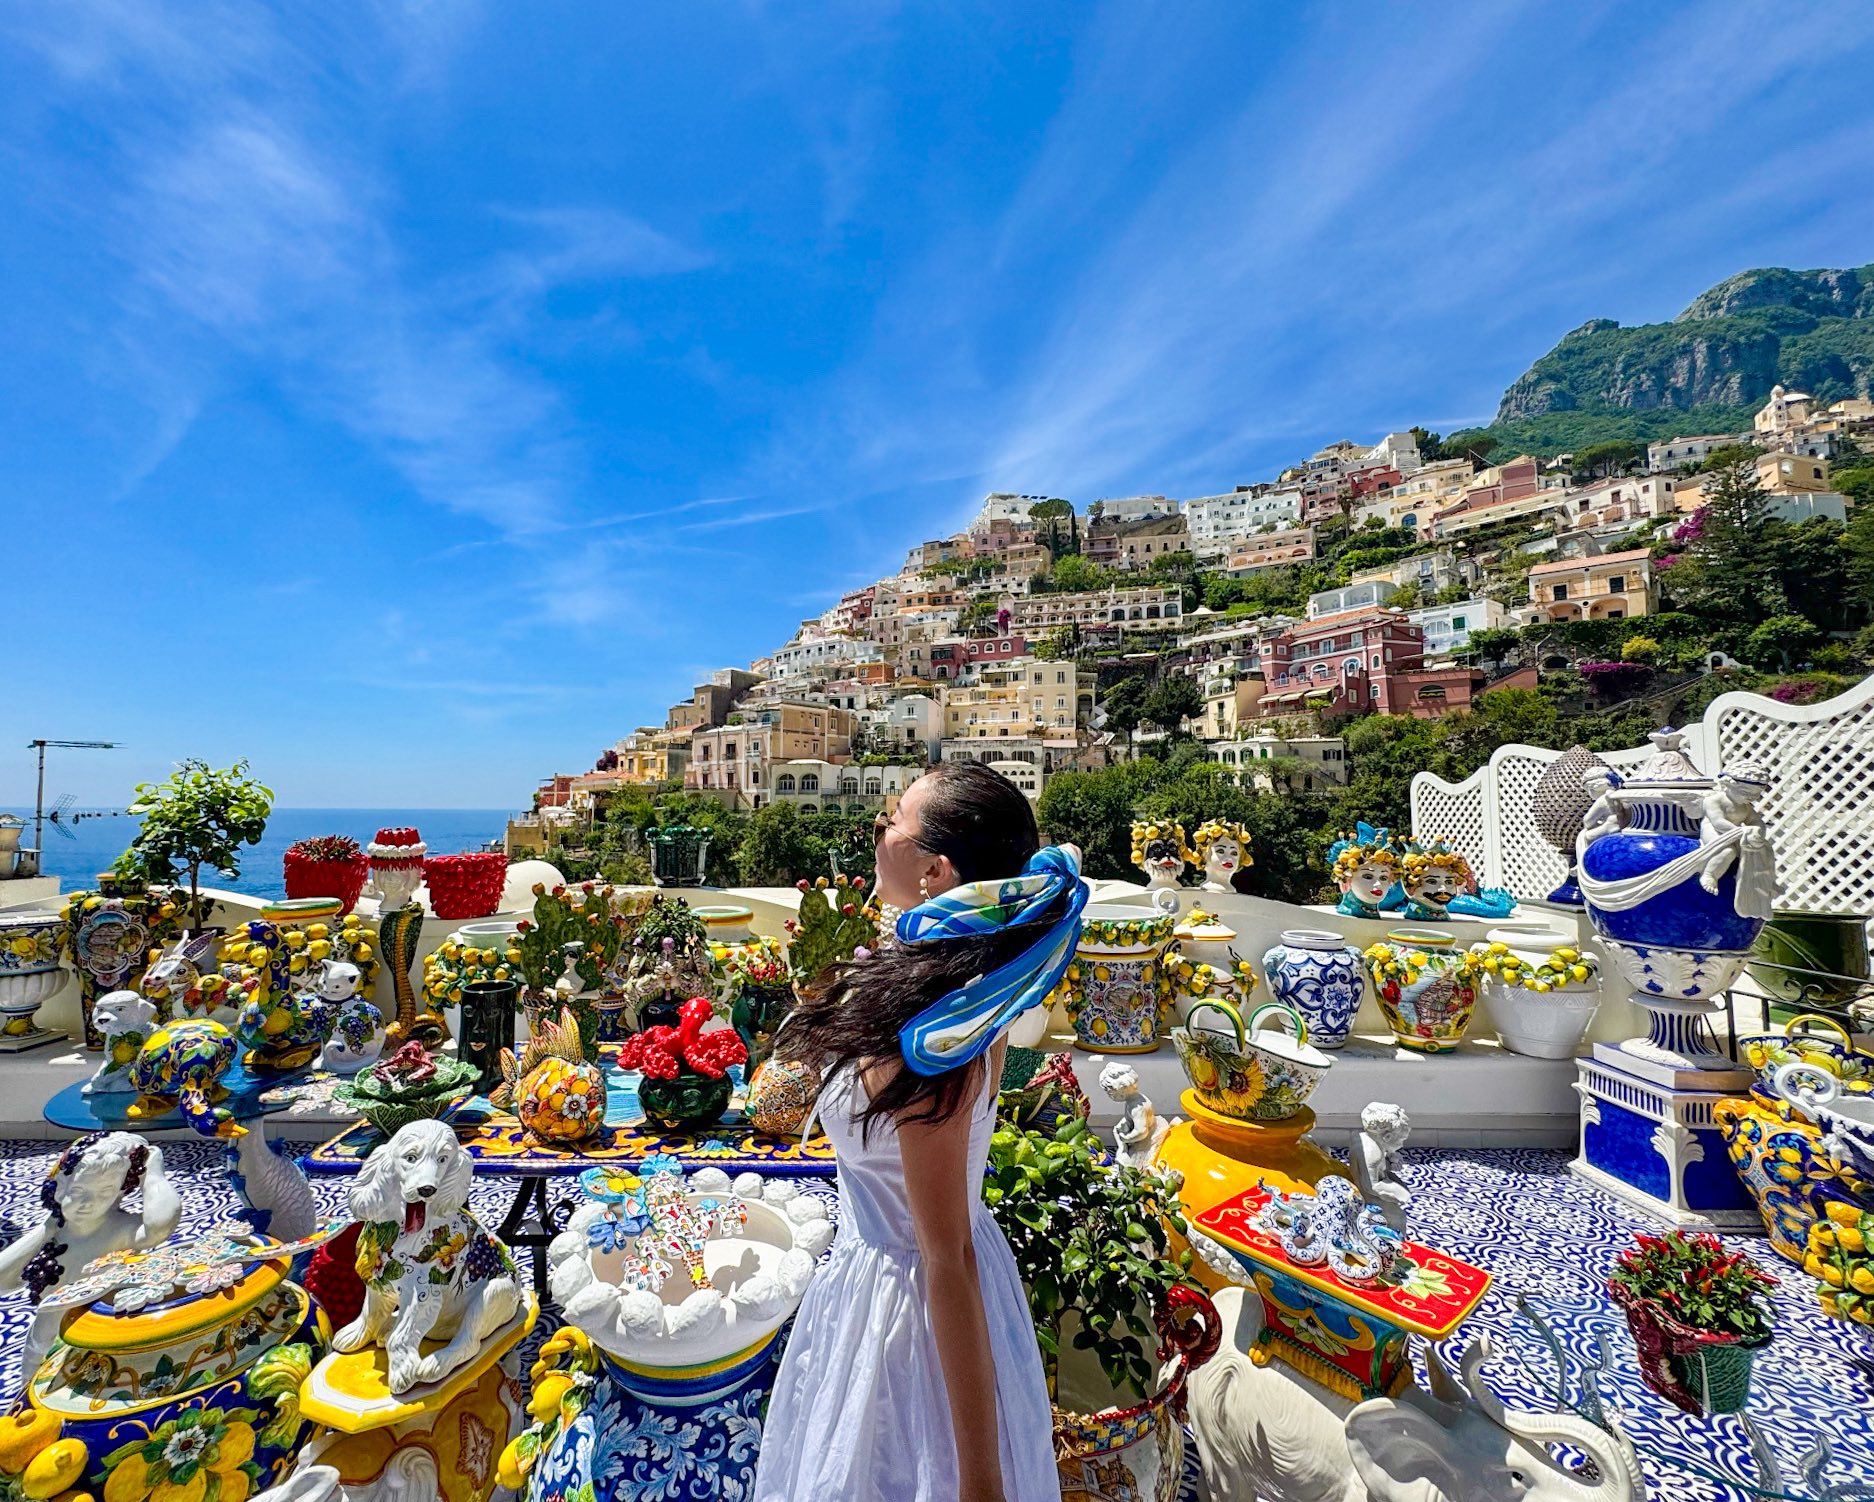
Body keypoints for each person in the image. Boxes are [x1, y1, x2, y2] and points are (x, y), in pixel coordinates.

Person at [754, 761, 1078, 1502]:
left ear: (934, 869)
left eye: (889, 821)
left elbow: (947, 1256)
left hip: (910, 1322)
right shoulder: (960, 980)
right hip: (889, 1285)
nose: (875, 832)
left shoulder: (936, 1028)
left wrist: (980, 1480)